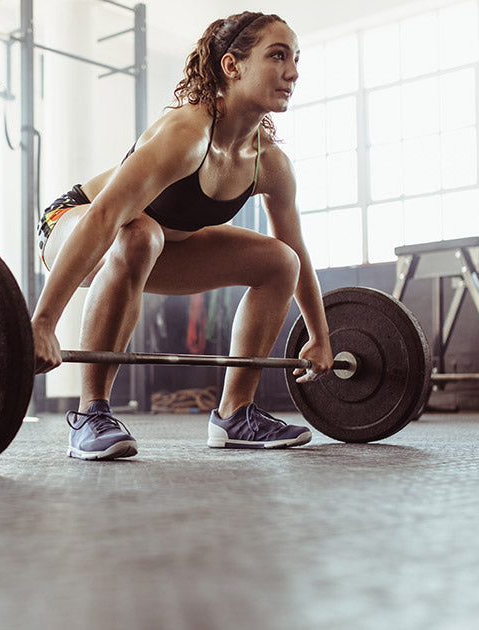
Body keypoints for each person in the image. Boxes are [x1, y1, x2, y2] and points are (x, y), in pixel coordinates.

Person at [33, 11, 334, 460]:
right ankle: (90, 414)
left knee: (279, 262)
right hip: (74, 224)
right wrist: (42, 323)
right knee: (139, 233)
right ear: (232, 66)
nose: (292, 72)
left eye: (295, 59)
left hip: (157, 245)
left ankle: (236, 414)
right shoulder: (185, 134)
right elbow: (103, 220)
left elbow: (297, 251)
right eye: (277, 56)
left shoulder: (269, 163)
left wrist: (321, 336)